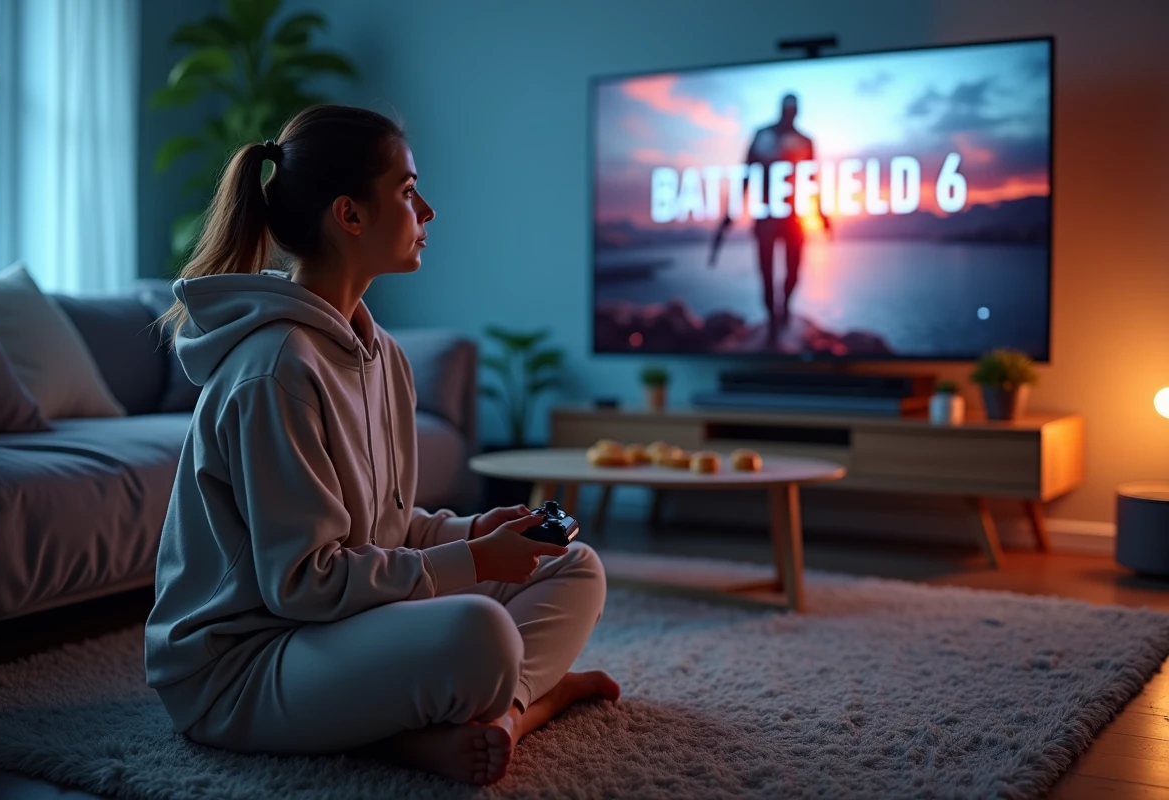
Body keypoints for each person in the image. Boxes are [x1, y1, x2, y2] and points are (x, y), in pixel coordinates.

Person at [144, 104, 620, 786]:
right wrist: (472, 561)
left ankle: (502, 714)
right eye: (406, 190)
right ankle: (523, 704)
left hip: (330, 631)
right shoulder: (276, 370)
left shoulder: (382, 355)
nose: (427, 210)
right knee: (482, 635)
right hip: (242, 668)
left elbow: (386, 530)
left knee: (573, 565)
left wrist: (476, 531)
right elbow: (303, 584)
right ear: (350, 215)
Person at [709, 93, 830, 342]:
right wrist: (730, 215)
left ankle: (784, 307)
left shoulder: (805, 141)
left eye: (793, 110)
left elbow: (813, 181)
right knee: (766, 274)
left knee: (793, 272)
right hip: (766, 220)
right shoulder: (762, 136)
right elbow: (746, 176)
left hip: (794, 219)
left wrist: (821, 213)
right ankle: (773, 324)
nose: (790, 114)